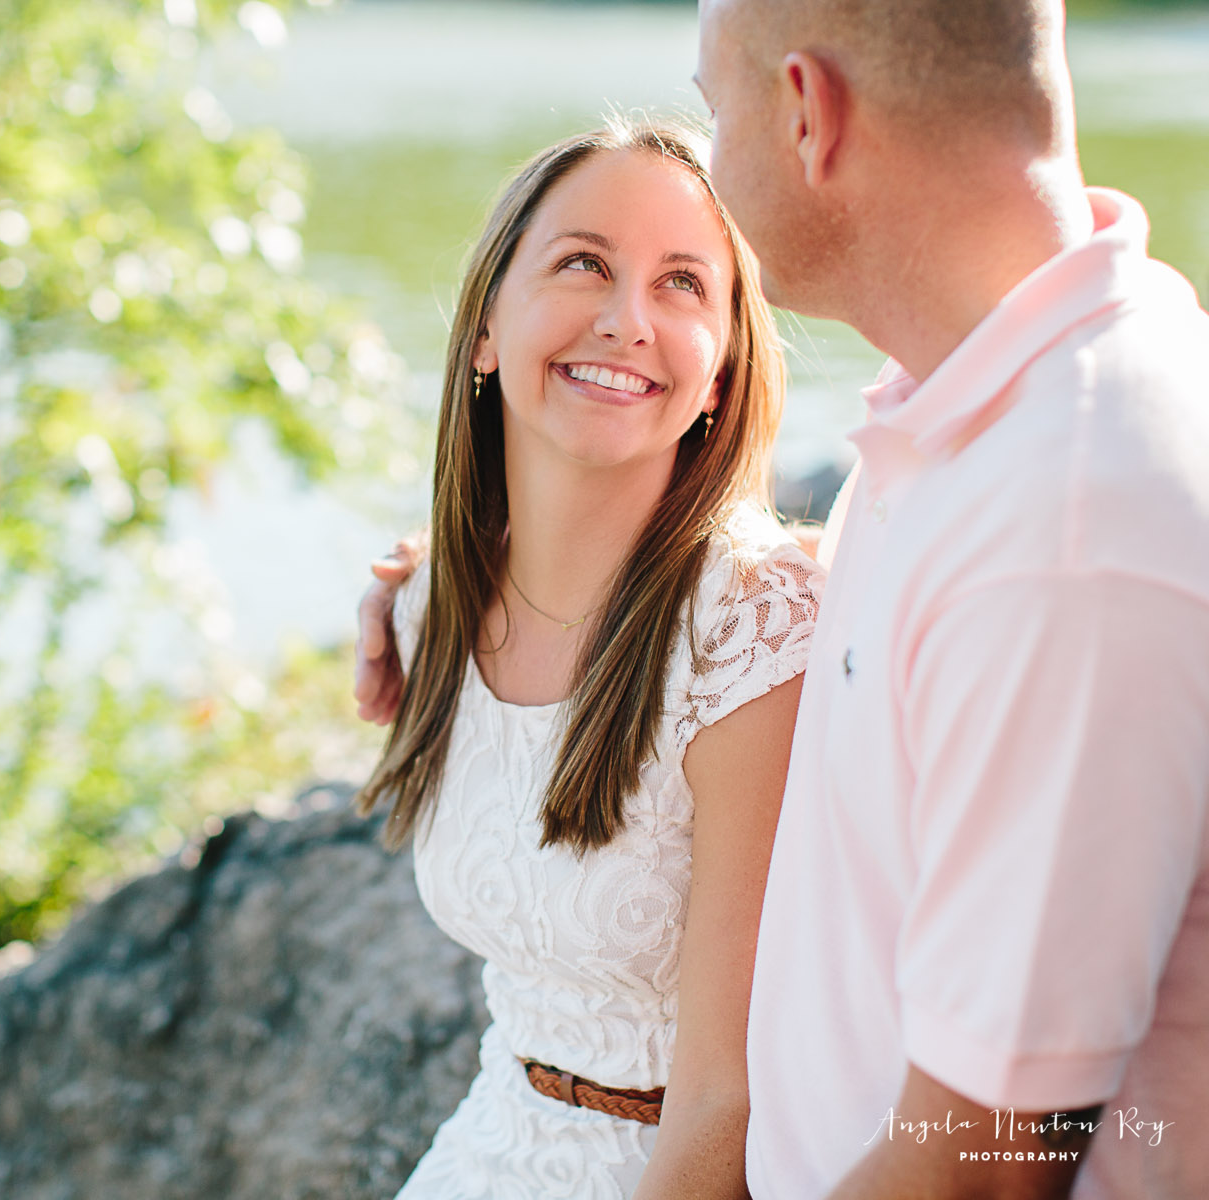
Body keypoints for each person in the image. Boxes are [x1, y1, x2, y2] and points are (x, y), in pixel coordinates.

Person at [361, 2, 1209, 1196]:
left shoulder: (1065, 517)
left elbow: (985, 1165)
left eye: (715, 106)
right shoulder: (947, 427)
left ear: (805, 110)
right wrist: (442, 577)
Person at [358, 118, 822, 1199]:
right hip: (488, 1141)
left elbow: (732, 1100)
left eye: (681, 285)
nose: (626, 321)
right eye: (584, 263)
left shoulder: (749, 626)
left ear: (720, 374)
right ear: (484, 328)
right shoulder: (435, 603)